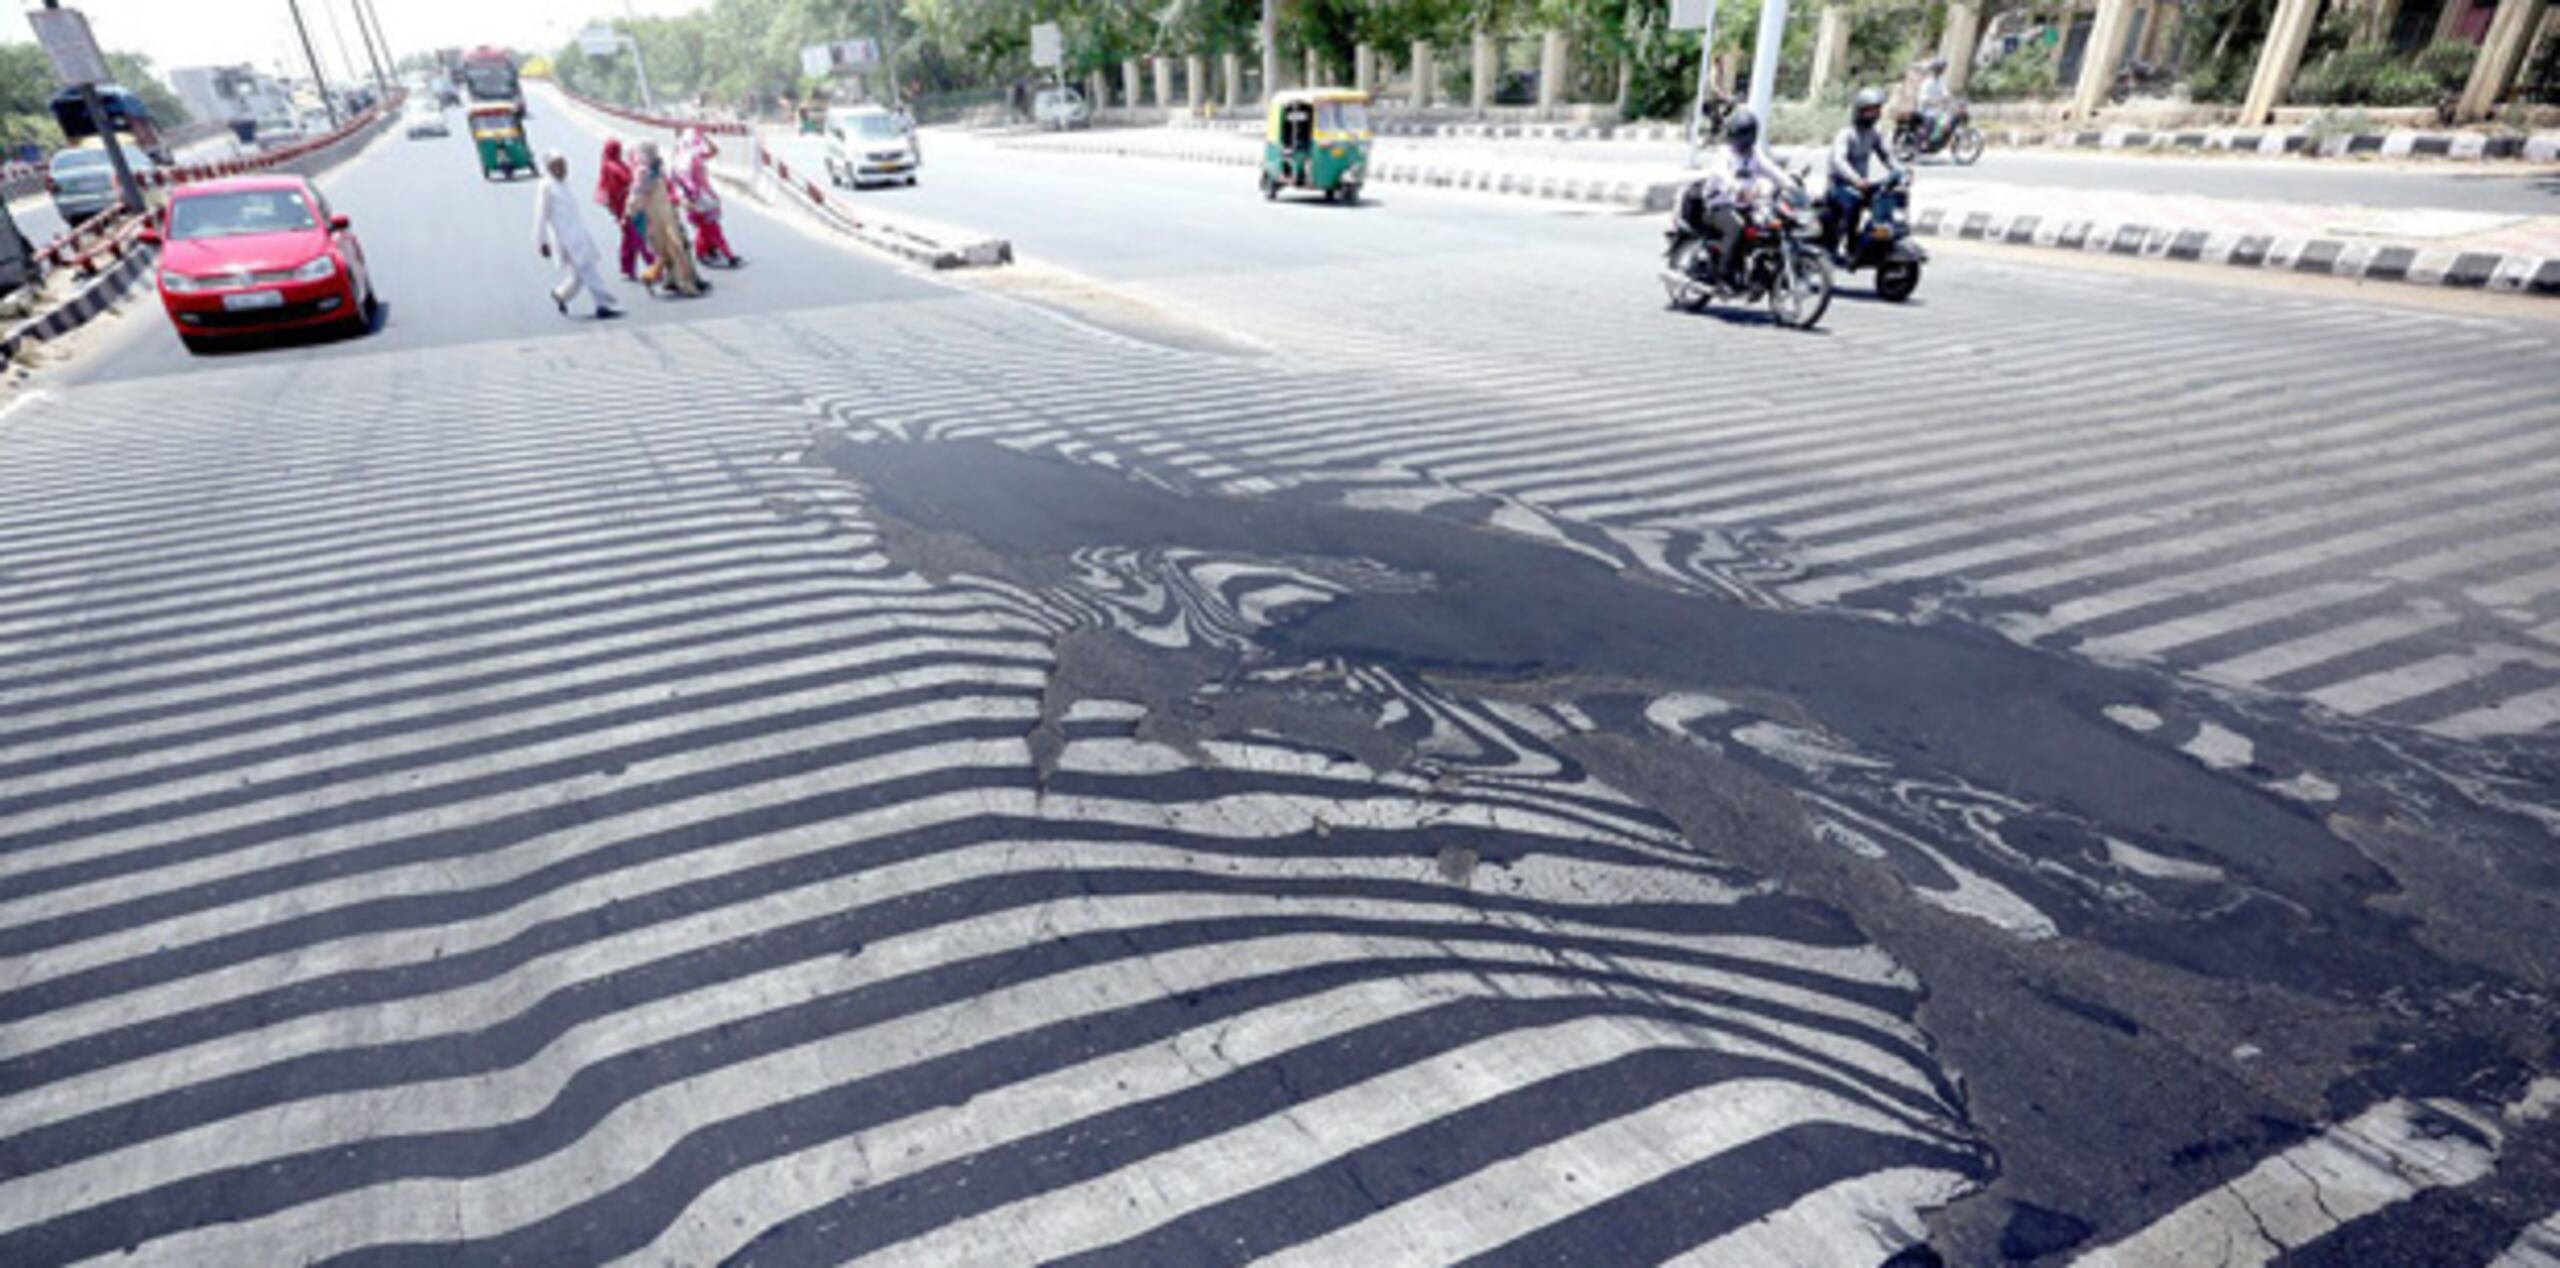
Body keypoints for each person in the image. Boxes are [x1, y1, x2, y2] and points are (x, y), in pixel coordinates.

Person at [1702, 109, 1793, 288]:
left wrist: (1791, 184)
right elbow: (1722, 176)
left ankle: (1759, 272)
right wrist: (1738, 190)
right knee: (1737, 227)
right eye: (1742, 134)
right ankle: (1723, 275)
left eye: (1749, 134)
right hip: (1718, 205)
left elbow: (1772, 170)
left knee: (1769, 225)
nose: (1746, 139)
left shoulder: (1754, 154)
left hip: (1745, 205)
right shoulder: (1724, 155)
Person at [531, 149, 621, 319]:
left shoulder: (563, 184)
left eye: (563, 165)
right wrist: (541, 242)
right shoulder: (546, 187)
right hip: (565, 238)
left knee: (579, 274)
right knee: (588, 269)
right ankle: (602, 304)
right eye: (557, 166)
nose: (562, 169)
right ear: (549, 168)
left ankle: (561, 295)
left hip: (578, 234)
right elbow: (540, 216)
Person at [1825, 87, 1904, 258]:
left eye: (1876, 110)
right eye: (1870, 110)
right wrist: (1855, 179)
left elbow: (1887, 155)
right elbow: (1839, 161)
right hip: (1840, 185)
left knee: (1886, 197)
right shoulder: (1846, 134)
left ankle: (1879, 238)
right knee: (1853, 201)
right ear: (1860, 111)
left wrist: (1900, 171)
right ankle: (1846, 244)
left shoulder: (1873, 134)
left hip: (1862, 184)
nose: (1874, 114)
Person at [627, 140, 704, 298]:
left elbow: (669, 188)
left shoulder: (658, 167)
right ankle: (685, 284)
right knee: (671, 249)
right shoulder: (643, 172)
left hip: (666, 213)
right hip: (655, 218)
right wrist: (632, 211)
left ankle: (674, 279)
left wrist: (679, 202)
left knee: (674, 248)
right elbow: (636, 194)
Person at [672, 126, 739, 267]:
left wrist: (705, 137)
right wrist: (685, 201)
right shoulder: (680, 163)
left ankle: (704, 252)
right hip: (695, 200)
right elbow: (678, 184)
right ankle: (728, 255)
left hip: (705, 198)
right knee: (711, 228)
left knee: (706, 228)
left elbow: (715, 151)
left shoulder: (695, 157)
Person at [594, 138, 652, 281]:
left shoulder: (608, 165)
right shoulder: (614, 167)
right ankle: (653, 264)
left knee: (628, 238)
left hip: (621, 208)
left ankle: (627, 268)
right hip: (627, 207)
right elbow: (625, 182)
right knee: (638, 235)